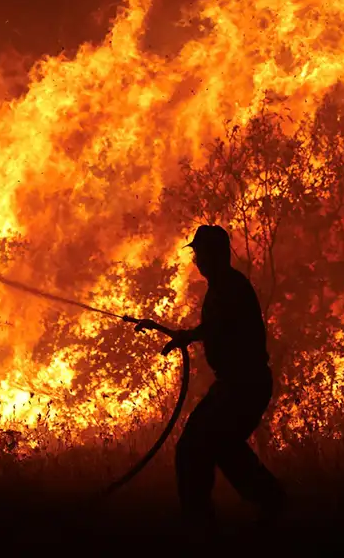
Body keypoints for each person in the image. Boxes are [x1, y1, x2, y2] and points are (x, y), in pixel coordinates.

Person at [134, 224, 286, 537]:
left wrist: (186, 336)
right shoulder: (222, 286)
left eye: (200, 254)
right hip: (236, 384)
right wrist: (183, 336)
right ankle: (269, 504)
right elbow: (214, 327)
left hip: (243, 385)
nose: (196, 261)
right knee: (220, 446)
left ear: (215, 255)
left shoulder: (230, 287)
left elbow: (220, 328)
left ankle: (201, 523)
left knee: (196, 446)